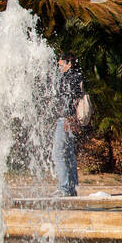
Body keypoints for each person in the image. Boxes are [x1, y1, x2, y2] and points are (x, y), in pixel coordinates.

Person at [52, 54, 84, 197]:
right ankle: (72, 189)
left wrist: (68, 118)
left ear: (68, 64)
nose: (59, 68)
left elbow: (68, 99)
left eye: (61, 65)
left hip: (65, 120)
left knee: (58, 154)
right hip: (70, 120)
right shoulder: (77, 77)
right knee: (69, 154)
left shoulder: (69, 79)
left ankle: (64, 188)